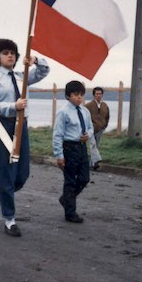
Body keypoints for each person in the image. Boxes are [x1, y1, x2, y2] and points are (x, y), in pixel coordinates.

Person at [0, 38, 49, 237]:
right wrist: (13, 106)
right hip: (3, 125)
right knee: (5, 175)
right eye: (5, 52)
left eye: (13, 52)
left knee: (21, 175)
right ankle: (10, 219)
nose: (10, 55)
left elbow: (44, 71)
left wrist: (36, 60)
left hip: (21, 127)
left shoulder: (22, 76)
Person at [53, 81, 93, 223]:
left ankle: (66, 199)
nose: (79, 97)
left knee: (84, 178)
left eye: (81, 95)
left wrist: (88, 134)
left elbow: (90, 127)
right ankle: (70, 212)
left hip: (82, 147)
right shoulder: (63, 112)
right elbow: (57, 134)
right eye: (75, 94)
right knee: (70, 181)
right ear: (68, 96)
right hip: (69, 148)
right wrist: (59, 155)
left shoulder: (85, 111)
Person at [85, 86, 109, 170]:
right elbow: (84, 117)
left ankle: (92, 163)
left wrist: (104, 126)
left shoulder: (105, 105)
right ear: (93, 95)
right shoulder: (88, 106)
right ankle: (95, 162)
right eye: (97, 94)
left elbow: (107, 117)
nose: (98, 95)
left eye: (100, 94)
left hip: (100, 129)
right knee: (93, 145)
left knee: (95, 145)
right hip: (91, 129)